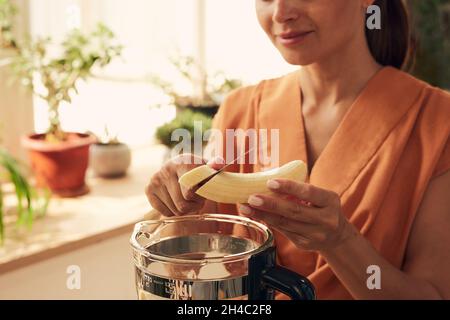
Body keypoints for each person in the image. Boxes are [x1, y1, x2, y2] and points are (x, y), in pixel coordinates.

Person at [145, 0, 450, 299]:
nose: (281, 13)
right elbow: (185, 277)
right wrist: (175, 203)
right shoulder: (239, 110)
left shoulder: (438, 123)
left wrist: (340, 241)